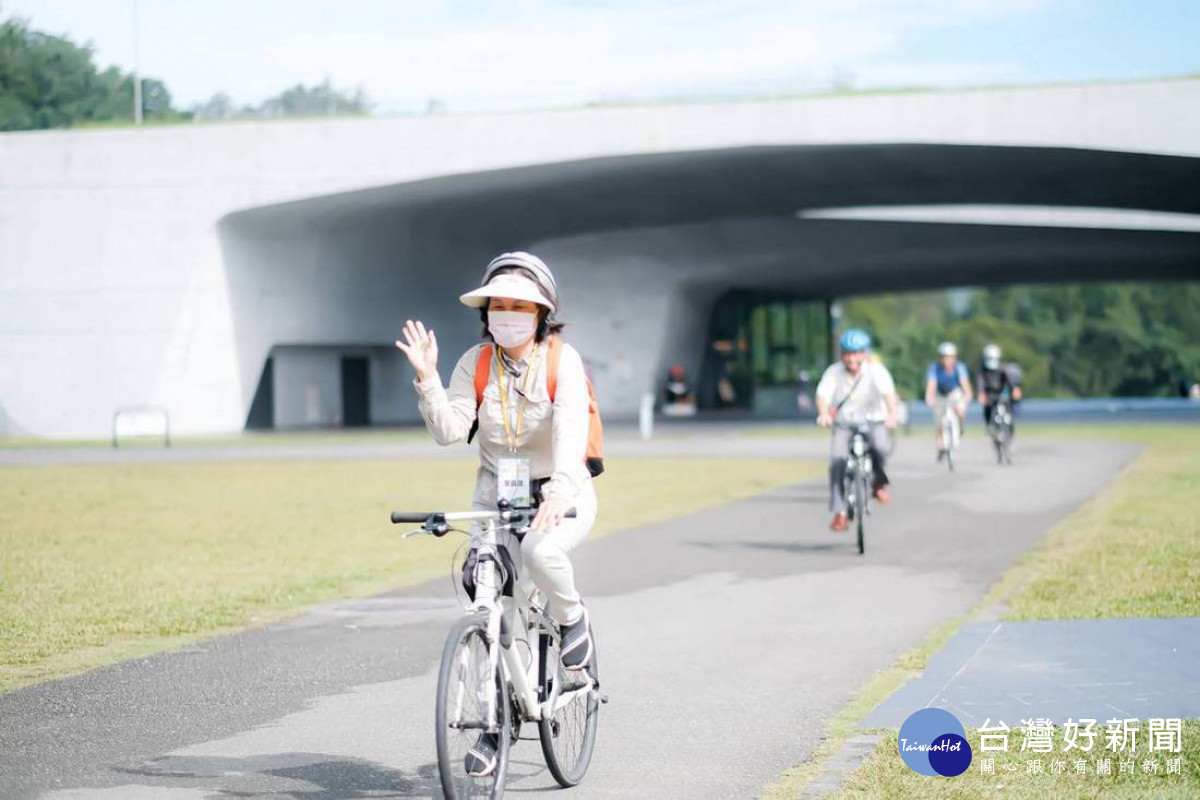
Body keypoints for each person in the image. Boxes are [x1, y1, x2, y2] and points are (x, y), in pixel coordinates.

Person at [395, 251, 596, 777]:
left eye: (518, 306)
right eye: (498, 306)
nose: (506, 315)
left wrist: (559, 494)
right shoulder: (475, 363)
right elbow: (448, 430)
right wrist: (428, 378)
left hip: (559, 489)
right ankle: (494, 720)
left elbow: (571, 435)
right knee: (485, 591)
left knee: (538, 550)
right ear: (486, 314)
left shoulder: (561, 361)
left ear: (540, 314)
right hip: (496, 498)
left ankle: (573, 622)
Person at [816, 329, 900, 532]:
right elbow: (822, 396)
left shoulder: (876, 371)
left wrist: (891, 414)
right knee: (837, 459)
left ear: (865, 354)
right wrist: (823, 413)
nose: (851, 358)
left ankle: (878, 484)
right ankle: (839, 512)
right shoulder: (834, 372)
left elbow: (888, 394)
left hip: (874, 420)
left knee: (880, 447)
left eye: (856, 353)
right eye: (847, 353)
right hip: (845, 423)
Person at [924, 341, 973, 460]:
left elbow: (965, 385)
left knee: (960, 409)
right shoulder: (934, 368)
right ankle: (940, 445)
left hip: (954, 392)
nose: (947, 360)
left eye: (950, 357)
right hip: (941, 394)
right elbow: (931, 384)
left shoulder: (959, 367)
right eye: (944, 357)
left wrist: (966, 397)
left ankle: (960, 427)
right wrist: (929, 397)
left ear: (954, 358)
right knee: (939, 420)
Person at [977, 343, 1023, 436]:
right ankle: (989, 425)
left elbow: (1009, 382)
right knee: (987, 406)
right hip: (990, 393)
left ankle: (1009, 423)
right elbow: (980, 383)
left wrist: (1014, 390)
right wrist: (981, 393)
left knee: (1008, 404)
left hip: (1003, 391)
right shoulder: (982, 370)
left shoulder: (1003, 369)